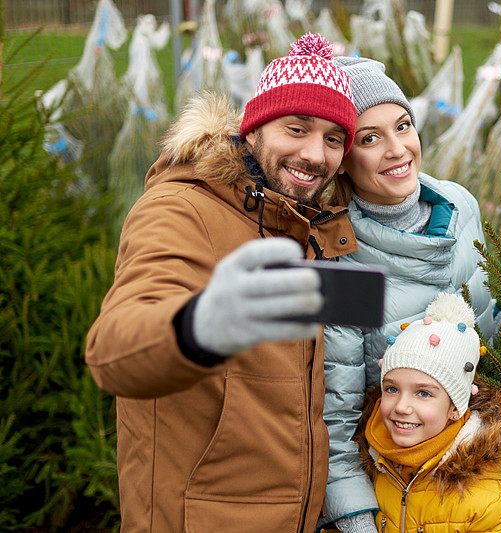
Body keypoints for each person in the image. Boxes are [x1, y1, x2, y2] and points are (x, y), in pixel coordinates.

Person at [84, 34, 358, 533]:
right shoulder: (181, 209)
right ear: (253, 130)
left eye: (333, 139)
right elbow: (113, 349)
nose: (315, 154)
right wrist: (198, 328)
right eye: (296, 128)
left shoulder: (307, 223)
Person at [320, 57, 501, 533]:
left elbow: (483, 320)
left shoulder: (459, 206)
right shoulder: (344, 259)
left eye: (403, 126)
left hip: (473, 462)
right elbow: (336, 420)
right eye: (370, 137)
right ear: (342, 158)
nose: (398, 149)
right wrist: (358, 521)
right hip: (396, 484)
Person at [357, 293, 501, 532]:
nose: (401, 407)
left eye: (423, 393)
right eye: (392, 389)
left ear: (455, 408)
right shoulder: (376, 460)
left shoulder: (484, 501)